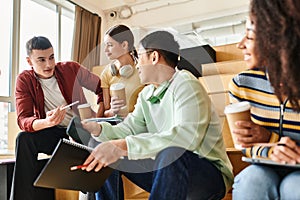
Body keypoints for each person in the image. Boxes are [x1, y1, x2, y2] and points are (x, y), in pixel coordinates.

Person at [81, 30, 233, 200]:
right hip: (166, 172)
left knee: (171, 153)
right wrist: (99, 129)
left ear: (154, 57)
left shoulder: (186, 83)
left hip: (208, 176)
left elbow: (185, 138)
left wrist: (123, 146)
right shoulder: (146, 94)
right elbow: (129, 129)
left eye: (139, 57)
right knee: (102, 147)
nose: (136, 65)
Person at [10, 36, 104, 200]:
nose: (49, 65)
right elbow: (23, 119)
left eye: (51, 57)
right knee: (24, 139)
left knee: (97, 142)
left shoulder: (71, 69)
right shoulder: (24, 80)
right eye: (41, 60)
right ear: (29, 61)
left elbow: (101, 86)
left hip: (81, 130)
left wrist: (101, 112)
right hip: (54, 133)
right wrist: (47, 122)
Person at [228, 16, 300, 199]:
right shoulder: (242, 84)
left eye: (250, 37)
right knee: (250, 181)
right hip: (264, 166)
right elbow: (244, 145)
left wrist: (271, 138)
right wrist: (271, 146)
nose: (240, 44)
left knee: (294, 186)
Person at [101, 24, 144, 118]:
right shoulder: (106, 73)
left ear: (124, 45)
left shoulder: (143, 69)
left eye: (110, 45)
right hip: (118, 125)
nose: (105, 50)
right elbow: (105, 113)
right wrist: (113, 111)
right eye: (105, 45)